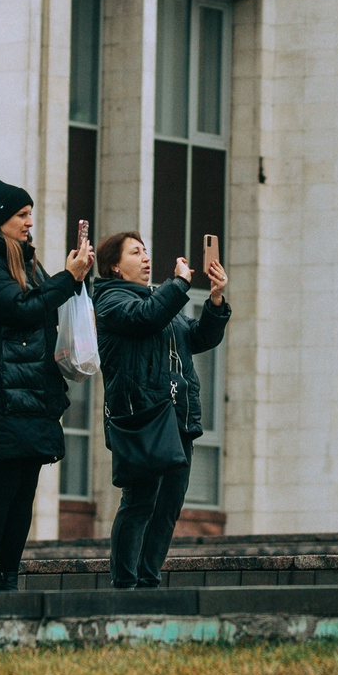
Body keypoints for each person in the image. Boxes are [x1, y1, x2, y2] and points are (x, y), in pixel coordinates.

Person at [0, 178, 93, 591]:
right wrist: (66, 279)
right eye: (22, 215)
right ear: (1, 219)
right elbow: (21, 309)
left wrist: (77, 277)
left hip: (34, 391)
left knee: (25, 490)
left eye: (30, 214)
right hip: (1, 393)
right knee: (1, 488)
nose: (29, 222)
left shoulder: (27, 261)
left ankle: (10, 576)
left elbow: (48, 306)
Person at [92, 231, 229, 590]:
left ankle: (149, 580)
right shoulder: (111, 300)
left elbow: (197, 338)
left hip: (178, 416)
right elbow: (143, 319)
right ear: (115, 267)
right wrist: (180, 283)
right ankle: (124, 583)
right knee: (139, 501)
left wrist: (215, 302)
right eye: (135, 253)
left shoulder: (158, 299)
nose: (145, 258)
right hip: (143, 417)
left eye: (146, 251)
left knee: (168, 506)